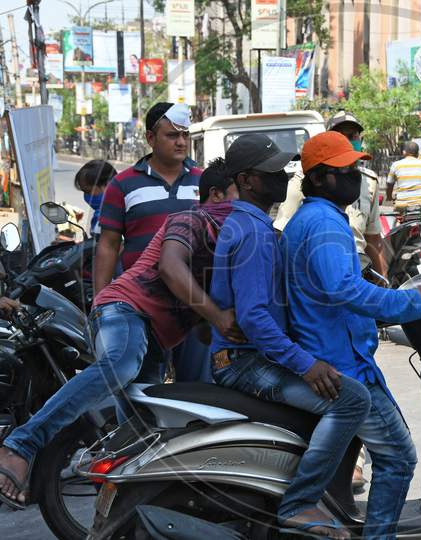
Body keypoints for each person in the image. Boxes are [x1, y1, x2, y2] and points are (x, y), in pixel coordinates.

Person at [0, 159, 241, 510]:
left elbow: (204, 328)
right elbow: (163, 267)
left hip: (158, 337)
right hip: (125, 309)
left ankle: (125, 509)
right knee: (121, 365)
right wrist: (219, 317)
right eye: (239, 195)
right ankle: (20, 445)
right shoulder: (193, 219)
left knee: (142, 428)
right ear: (217, 195)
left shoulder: (233, 242)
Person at [282, 131, 421, 539]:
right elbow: (345, 290)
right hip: (341, 363)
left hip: (335, 352)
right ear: (320, 178)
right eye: (347, 170)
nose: (356, 178)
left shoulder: (312, 219)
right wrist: (413, 303)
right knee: (399, 458)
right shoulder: (323, 223)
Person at [210, 133, 374, 539]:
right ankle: (300, 502)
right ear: (247, 180)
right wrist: (306, 363)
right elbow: (254, 320)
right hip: (243, 361)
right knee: (351, 399)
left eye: (285, 170)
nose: (284, 178)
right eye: (273, 173)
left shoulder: (257, 225)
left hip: (248, 354)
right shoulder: (253, 233)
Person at [95, 102, 210, 383]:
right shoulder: (122, 184)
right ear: (150, 138)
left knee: (197, 388)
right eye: (172, 135)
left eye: (185, 135)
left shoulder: (206, 182)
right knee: (141, 386)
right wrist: (99, 304)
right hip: (141, 305)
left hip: (195, 303)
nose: (181, 142)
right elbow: (108, 245)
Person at [274, 112, 387, 279]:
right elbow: (281, 234)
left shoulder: (369, 181)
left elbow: (373, 239)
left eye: (352, 136)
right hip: (326, 273)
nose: (345, 140)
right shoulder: (306, 188)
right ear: (317, 179)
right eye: (339, 135)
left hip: (359, 271)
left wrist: (384, 280)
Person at [386, 141, 421, 209]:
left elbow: (389, 184)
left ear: (404, 152)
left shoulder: (395, 165)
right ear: (418, 154)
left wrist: (389, 197)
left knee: (395, 218)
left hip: (402, 204)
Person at [73, 159, 117, 235]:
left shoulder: (106, 216)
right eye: (84, 192)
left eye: (88, 191)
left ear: (106, 186)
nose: (86, 196)